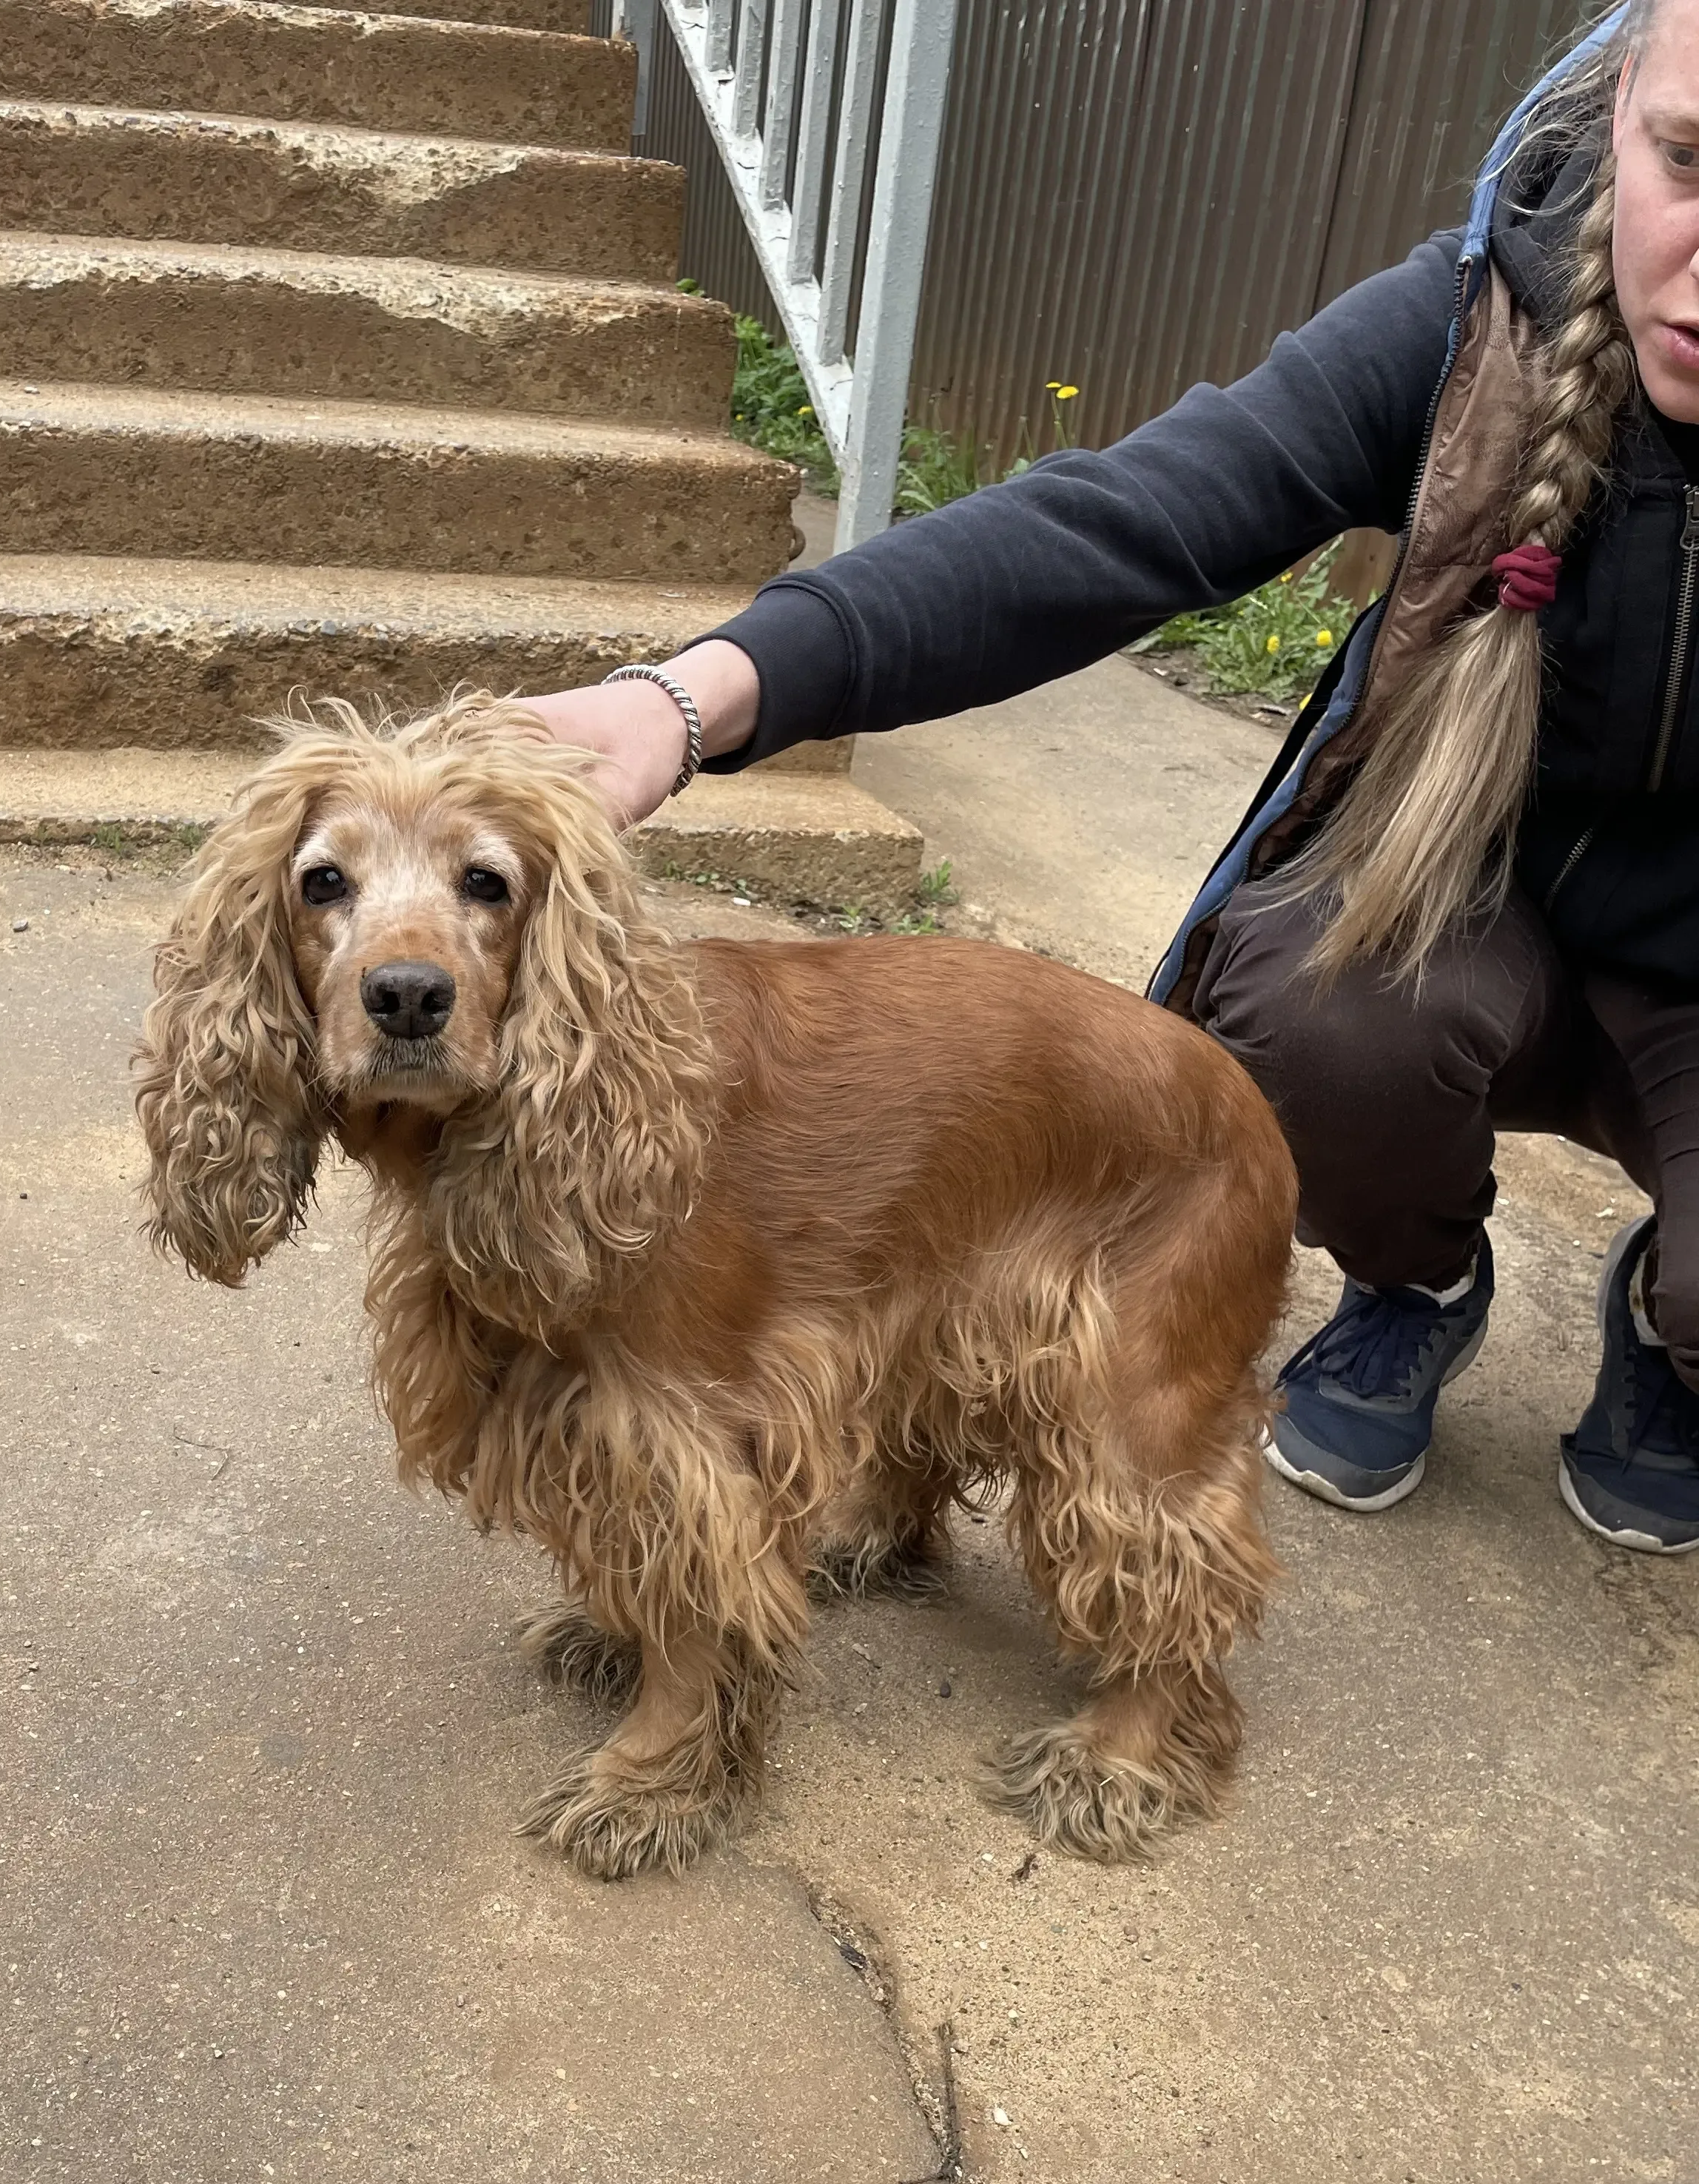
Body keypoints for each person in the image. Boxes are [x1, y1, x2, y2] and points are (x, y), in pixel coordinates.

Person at [527, 0, 1699, 1553]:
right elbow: (1123, 521)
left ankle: (1674, 1320)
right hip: (1459, 930)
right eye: (1688, 160)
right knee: (1302, 1022)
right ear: (1620, 106)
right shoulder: (1477, 322)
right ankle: (1415, 1279)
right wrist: (700, 696)